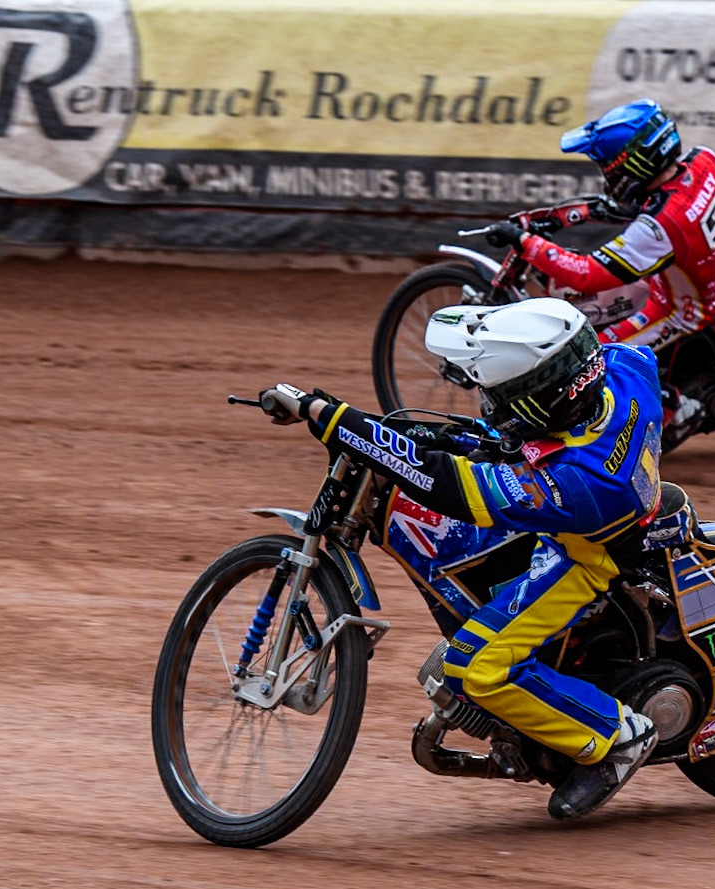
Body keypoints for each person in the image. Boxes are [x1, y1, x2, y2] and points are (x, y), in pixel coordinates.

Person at [258, 297, 664, 820]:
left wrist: (329, 415)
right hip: (609, 505)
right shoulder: (622, 369)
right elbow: (514, 431)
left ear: (543, 402)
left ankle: (617, 738)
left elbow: (447, 485)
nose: (491, 404)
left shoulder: (579, 482)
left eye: (503, 397)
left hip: (586, 558)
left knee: (474, 666)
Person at [484, 99, 715, 444]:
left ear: (636, 164)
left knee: (589, 357)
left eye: (609, 168)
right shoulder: (708, 162)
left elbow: (587, 273)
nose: (608, 176)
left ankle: (675, 408)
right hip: (682, 274)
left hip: (679, 308)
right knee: (588, 306)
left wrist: (526, 241)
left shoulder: (660, 226)